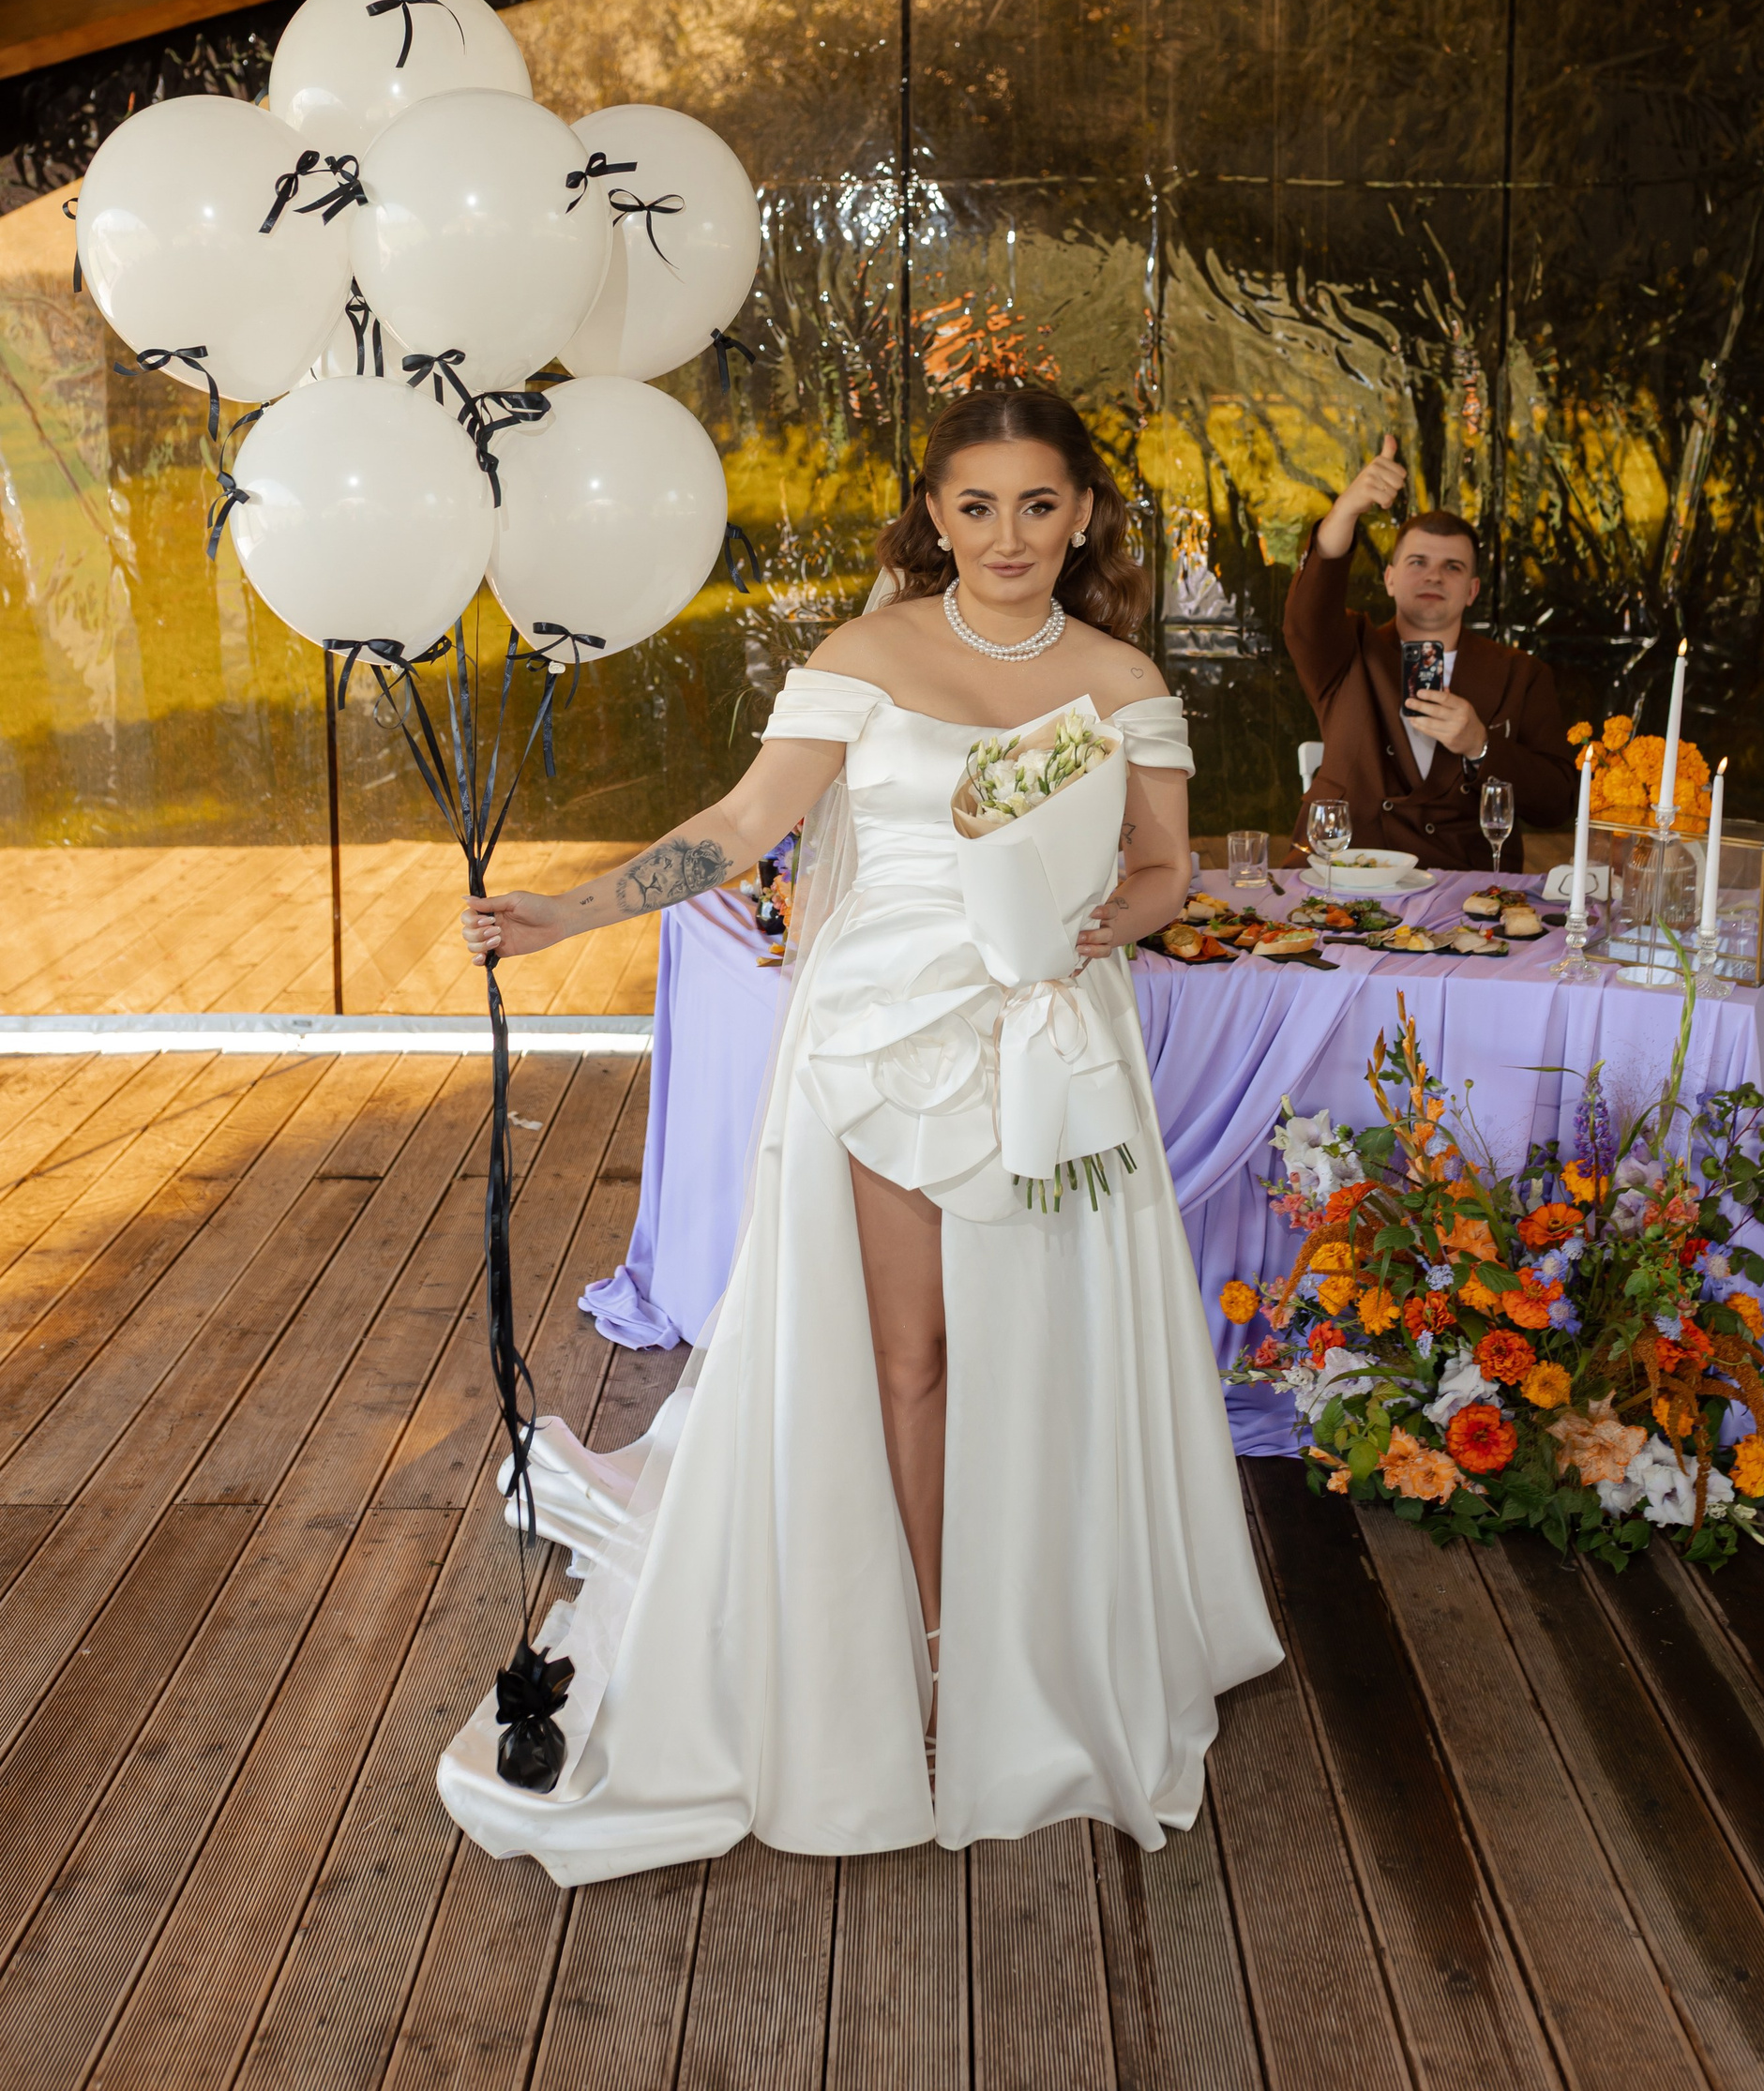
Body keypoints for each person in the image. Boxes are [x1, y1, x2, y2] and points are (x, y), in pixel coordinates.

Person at [437, 387, 1280, 1884]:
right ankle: (934, 1644)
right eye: (978, 506)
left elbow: (1166, 869)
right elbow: (743, 825)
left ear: (1082, 514)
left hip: (1052, 1038)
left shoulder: (1121, 679)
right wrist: (569, 911)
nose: (1009, 536)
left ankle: (1049, 1619)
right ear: (936, 515)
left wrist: (1100, 923)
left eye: (1038, 505)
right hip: (886, 1038)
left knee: (1048, 1338)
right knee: (912, 1354)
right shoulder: (863, 657)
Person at [1285, 434, 1576, 871]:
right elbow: (1306, 616)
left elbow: (1557, 803)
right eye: (1417, 562)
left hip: (1462, 882)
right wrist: (1346, 509)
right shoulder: (1347, 650)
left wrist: (1480, 745)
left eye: (1452, 567)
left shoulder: (1521, 674)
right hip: (1347, 872)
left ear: (1472, 591)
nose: (1434, 576)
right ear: (1389, 579)